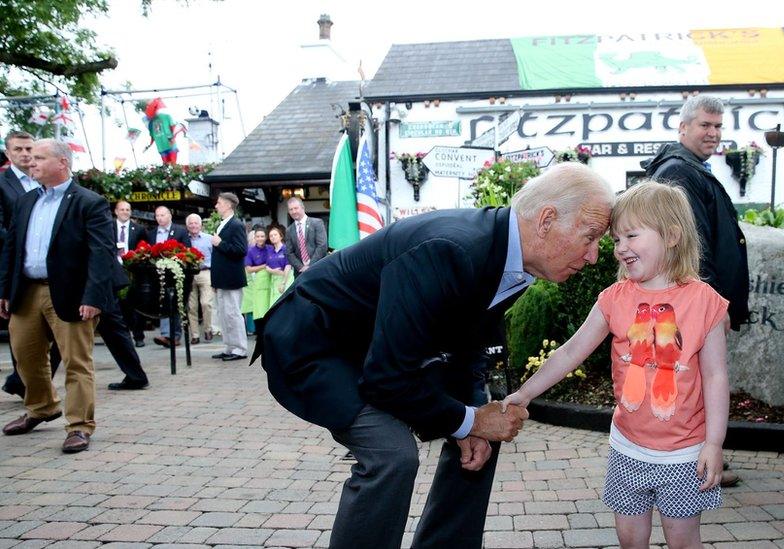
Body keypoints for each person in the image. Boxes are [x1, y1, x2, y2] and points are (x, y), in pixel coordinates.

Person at [256, 162, 612, 549]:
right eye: (590, 237)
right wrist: (467, 420)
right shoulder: (451, 248)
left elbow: (468, 348)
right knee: (392, 455)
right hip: (314, 343)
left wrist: (472, 421)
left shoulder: (515, 260)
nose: (594, 256)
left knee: (482, 435)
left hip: (374, 348)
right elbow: (387, 378)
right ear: (546, 220)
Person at [503, 181, 728, 549]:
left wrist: (714, 443)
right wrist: (525, 393)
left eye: (631, 236)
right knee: (629, 539)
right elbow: (571, 352)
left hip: (686, 453)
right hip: (628, 448)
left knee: (683, 540)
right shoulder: (614, 299)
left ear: (671, 235)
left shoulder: (705, 302)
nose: (620, 248)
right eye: (617, 239)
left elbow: (716, 377)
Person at [640, 94, 748, 488]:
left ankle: (698, 456)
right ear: (682, 127)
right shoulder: (681, 172)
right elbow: (694, 244)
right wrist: (712, 304)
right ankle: (697, 460)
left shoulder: (690, 169)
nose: (713, 133)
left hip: (696, 298)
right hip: (697, 300)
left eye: (718, 126)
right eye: (705, 125)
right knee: (695, 380)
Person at [0, 139, 116, 453]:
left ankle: (79, 426)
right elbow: (12, 247)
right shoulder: (25, 201)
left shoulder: (88, 202)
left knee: (76, 362)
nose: (30, 162)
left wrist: (93, 296)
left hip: (71, 294)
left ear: (62, 163)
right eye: (29, 157)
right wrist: (5, 290)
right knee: (25, 356)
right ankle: (42, 406)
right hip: (26, 291)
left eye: (39, 157)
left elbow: (101, 253)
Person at [0, 131, 58, 398]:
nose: (25, 155)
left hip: (53, 273)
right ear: (8, 153)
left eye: (29, 149)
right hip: (16, 270)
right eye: (19, 149)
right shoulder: (3, 184)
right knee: (22, 337)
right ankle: (29, 390)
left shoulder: (48, 183)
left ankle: (26, 384)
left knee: (58, 337)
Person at [210, 192, 248, 362]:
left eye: (219, 203)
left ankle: (240, 348)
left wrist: (220, 243)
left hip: (232, 278)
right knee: (224, 314)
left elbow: (241, 250)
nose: (216, 206)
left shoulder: (236, 225)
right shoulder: (223, 224)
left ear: (227, 205)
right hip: (222, 278)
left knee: (233, 313)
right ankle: (229, 346)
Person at [149, 205, 190, 347]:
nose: (160, 218)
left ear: (170, 215)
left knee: (173, 303)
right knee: (163, 303)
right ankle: (169, 335)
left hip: (175, 274)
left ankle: (171, 335)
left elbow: (187, 250)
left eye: (162, 215)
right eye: (157, 215)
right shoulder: (151, 233)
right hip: (157, 274)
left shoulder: (180, 231)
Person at [114, 200, 149, 347]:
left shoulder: (139, 229)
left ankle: (138, 336)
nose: (125, 212)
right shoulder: (108, 227)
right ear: (116, 211)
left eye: (127, 210)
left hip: (133, 271)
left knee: (135, 303)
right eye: (122, 209)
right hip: (115, 269)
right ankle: (122, 336)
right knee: (118, 305)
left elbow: (145, 248)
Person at [185, 213, 214, 344]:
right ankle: (195, 334)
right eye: (190, 223)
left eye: (196, 223)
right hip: (189, 274)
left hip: (205, 272)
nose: (193, 225)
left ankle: (208, 329)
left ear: (201, 224)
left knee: (206, 303)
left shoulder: (209, 239)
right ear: (187, 225)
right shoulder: (184, 239)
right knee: (191, 306)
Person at [285, 197, 327, 275]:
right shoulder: (289, 230)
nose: (294, 211)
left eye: (296, 208)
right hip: (300, 272)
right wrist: (301, 267)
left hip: (318, 268)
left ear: (302, 208)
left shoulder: (317, 223)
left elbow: (322, 246)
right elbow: (289, 253)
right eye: (291, 209)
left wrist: (310, 266)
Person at [242, 226, 271, 324]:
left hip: (272, 281)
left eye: (262, 236)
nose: (260, 239)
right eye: (257, 236)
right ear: (254, 238)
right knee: (259, 308)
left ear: (266, 237)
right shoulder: (250, 251)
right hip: (258, 283)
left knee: (269, 306)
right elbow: (249, 269)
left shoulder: (270, 249)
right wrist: (265, 266)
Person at [265, 225, 293, 304]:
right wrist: (273, 271)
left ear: (281, 236)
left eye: (275, 235)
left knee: (283, 305)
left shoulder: (286, 249)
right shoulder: (270, 251)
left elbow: (288, 266)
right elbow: (267, 266)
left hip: (286, 279)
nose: (273, 237)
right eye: (271, 236)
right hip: (273, 281)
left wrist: (283, 283)